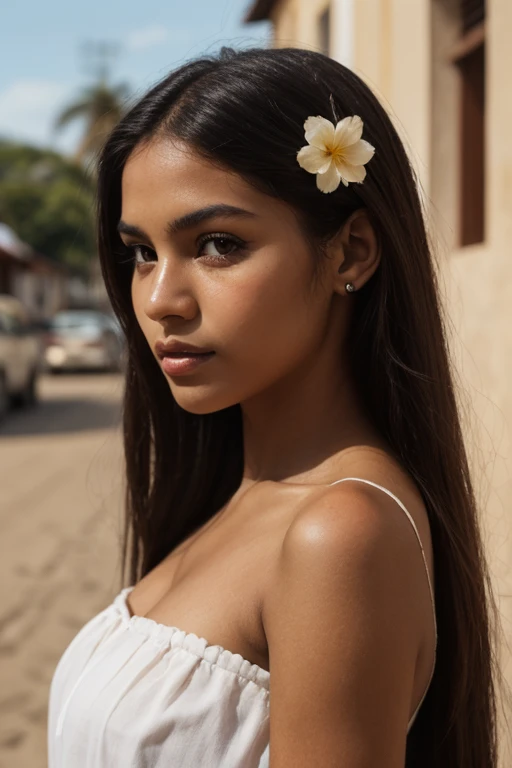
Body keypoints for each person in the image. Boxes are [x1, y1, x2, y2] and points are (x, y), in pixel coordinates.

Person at [47, 46, 501, 767]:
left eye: (218, 244)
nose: (160, 300)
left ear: (351, 251)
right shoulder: (238, 497)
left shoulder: (338, 533)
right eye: (141, 252)